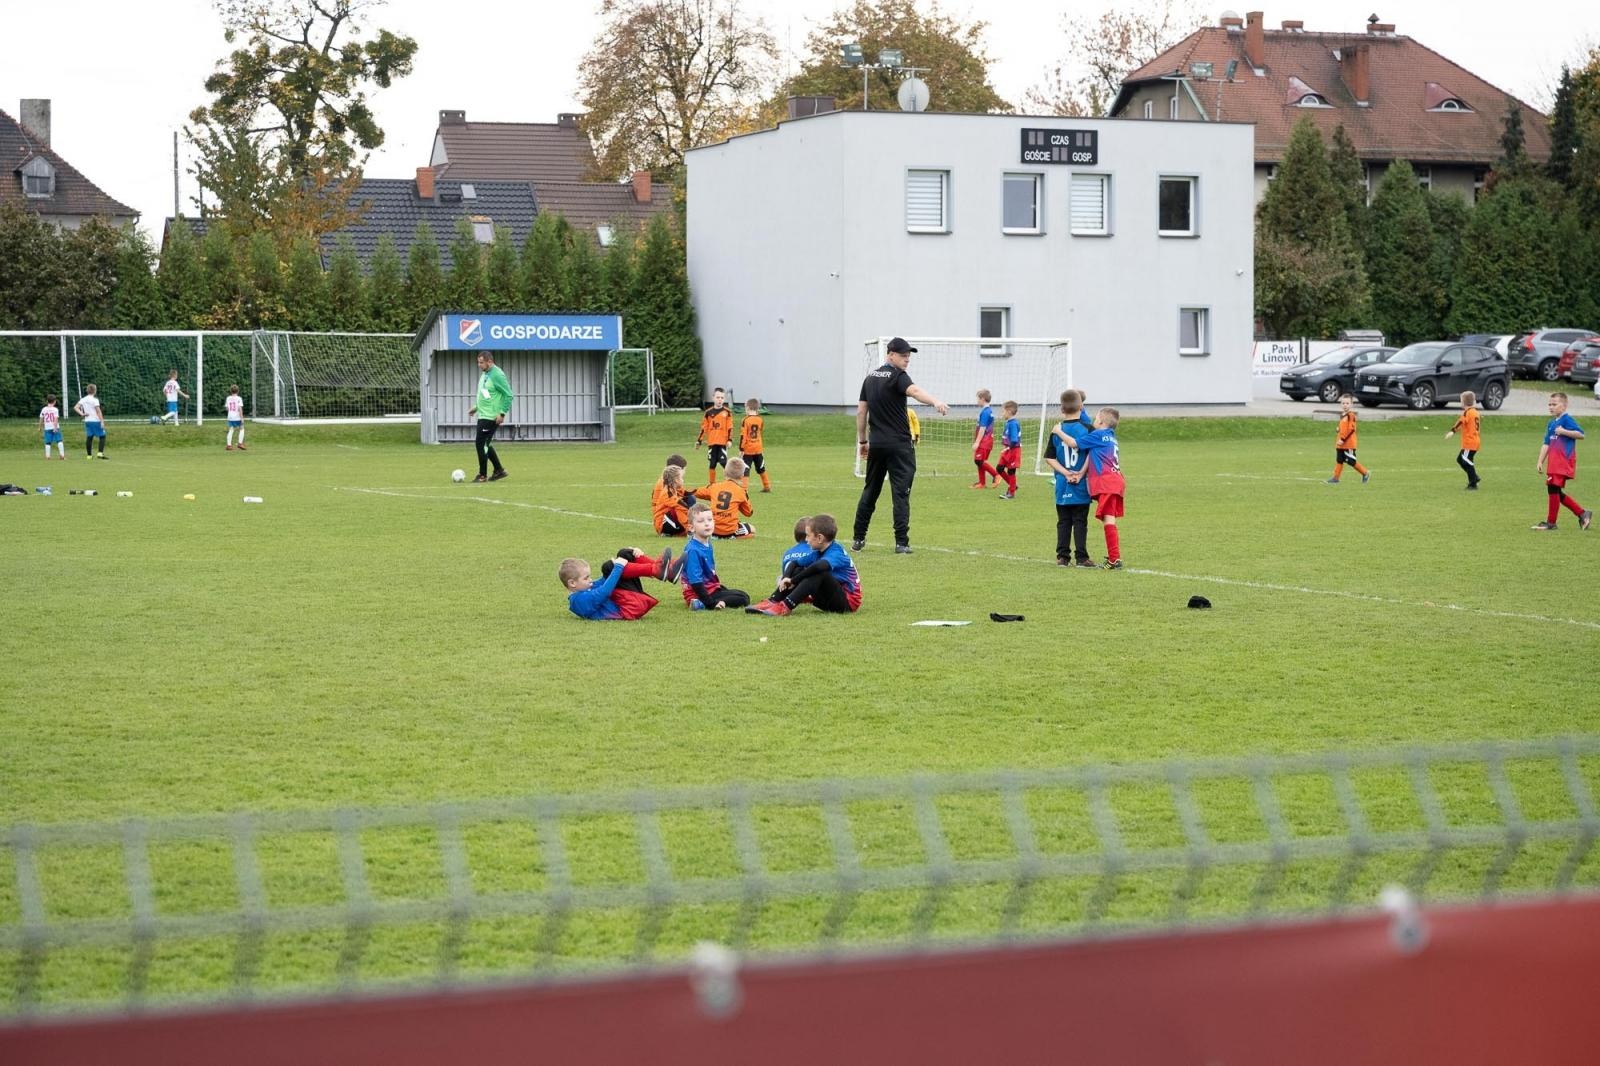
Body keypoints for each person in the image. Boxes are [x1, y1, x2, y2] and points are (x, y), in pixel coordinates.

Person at [852, 337, 950, 554]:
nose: (907, 360)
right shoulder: (898, 376)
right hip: (899, 445)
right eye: (903, 356)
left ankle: (858, 538)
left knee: (870, 490)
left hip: (877, 444)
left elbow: (861, 412)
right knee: (901, 494)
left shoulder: (869, 379)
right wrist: (935, 401)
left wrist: (863, 441)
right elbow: (915, 391)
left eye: (908, 356)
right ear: (891, 355)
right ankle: (901, 543)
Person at [748, 514, 862, 616]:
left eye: (808, 535)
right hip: (827, 599)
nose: (806, 540)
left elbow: (819, 567)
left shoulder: (836, 552)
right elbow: (794, 563)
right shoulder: (818, 551)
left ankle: (785, 606)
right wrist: (786, 577)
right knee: (799, 569)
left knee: (819, 572)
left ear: (820, 538)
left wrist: (793, 581)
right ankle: (773, 600)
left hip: (847, 603)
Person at [1067, 407, 1127, 569]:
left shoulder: (1098, 435)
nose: (1093, 420)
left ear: (1100, 422)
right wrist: (1081, 408)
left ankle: (1114, 559)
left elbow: (1073, 443)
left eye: (1096, 418)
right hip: (1116, 481)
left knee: (1109, 520)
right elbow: (1092, 454)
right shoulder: (1110, 437)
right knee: (1109, 519)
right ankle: (1114, 558)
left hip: (1107, 482)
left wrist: (1057, 431)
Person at [1045, 390, 1096, 568]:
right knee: (1080, 521)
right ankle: (1081, 558)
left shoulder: (1056, 430)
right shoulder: (1088, 429)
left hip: (1062, 483)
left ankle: (1062, 557)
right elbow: (1092, 455)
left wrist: (1065, 473)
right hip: (1081, 483)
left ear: (1061, 409)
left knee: (1063, 521)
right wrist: (1079, 473)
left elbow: (1049, 457)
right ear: (1081, 406)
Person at [562, 547, 682, 620]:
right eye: (586, 578)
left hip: (629, 603)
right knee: (608, 567)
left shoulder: (584, 590)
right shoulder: (578, 601)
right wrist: (618, 566)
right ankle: (659, 570)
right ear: (572, 583)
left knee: (624, 554)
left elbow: (604, 581)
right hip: (629, 608)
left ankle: (668, 571)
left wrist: (633, 554)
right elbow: (604, 591)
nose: (590, 580)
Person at [1533, 392, 1590, 531]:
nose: (1551, 407)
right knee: (1556, 491)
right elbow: (1546, 443)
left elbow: (1581, 434)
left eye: (1554, 404)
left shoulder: (1566, 420)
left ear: (1564, 406)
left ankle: (1551, 523)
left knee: (1553, 488)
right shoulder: (1551, 423)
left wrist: (1564, 431)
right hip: (1553, 462)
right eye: (1549, 404)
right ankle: (1582, 514)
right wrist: (1540, 461)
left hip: (1563, 461)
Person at [679, 504, 750, 610]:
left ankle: (710, 600)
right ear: (691, 528)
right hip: (698, 593)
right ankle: (700, 603)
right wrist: (711, 603)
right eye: (701, 521)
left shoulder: (707, 544)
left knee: (743, 595)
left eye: (710, 520)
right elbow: (695, 581)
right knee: (743, 599)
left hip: (710, 587)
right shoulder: (693, 550)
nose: (707, 524)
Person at [467, 352, 511, 483]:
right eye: (478, 362)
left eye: (481, 362)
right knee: (485, 443)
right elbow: (487, 394)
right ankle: (499, 470)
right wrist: (476, 407)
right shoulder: (486, 374)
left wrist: (502, 413)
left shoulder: (497, 375)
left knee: (480, 444)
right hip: (483, 414)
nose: (479, 365)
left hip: (491, 417)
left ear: (489, 362)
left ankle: (482, 475)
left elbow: (509, 395)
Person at [690, 457, 755, 537]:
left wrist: (683, 491)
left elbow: (696, 492)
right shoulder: (741, 491)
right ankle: (733, 537)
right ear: (742, 475)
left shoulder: (714, 487)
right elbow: (749, 513)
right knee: (752, 529)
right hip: (730, 530)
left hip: (712, 528)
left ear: (724, 472)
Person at [1326, 394, 1370, 484]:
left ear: (1351, 404)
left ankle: (1365, 473)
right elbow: (1343, 427)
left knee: (1351, 461)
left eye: (1347, 403)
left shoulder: (1351, 415)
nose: (1345, 405)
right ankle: (1335, 478)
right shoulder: (1342, 415)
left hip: (1348, 443)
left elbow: (1351, 429)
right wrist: (1338, 429)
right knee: (1339, 460)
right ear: (1341, 404)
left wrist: (1342, 439)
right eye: (1343, 403)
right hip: (1340, 444)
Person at [695, 387, 733, 485]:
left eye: (722, 398)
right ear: (713, 398)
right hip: (712, 442)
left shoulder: (727, 412)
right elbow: (704, 428)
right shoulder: (708, 412)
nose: (720, 400)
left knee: (724, 462)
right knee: (712, 464)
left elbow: (730, 427)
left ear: (724, 399)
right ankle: (712, 484)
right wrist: (699, 440)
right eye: (718, 397)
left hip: (722, 442)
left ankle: (730, 482)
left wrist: (729, 440)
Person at [1444, 391, 1480, 490]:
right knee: (1460, 459)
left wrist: (1452, 431)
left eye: (1461, 401)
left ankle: (1473, 483)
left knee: (1466, 461)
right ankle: (1474, 477)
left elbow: (1460, 422)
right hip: (1474, 441)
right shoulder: (1475, 412)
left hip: (1470, 442)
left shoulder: (1467, 412)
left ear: (1463, 402)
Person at [652, 458, 693, 536]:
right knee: (677, 509)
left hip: (667, 518)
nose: (683, 480)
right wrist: (694, 514)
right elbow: (679, 504)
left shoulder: (673, 488)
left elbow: (688, 492)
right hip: (661, 523)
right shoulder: (667, 492)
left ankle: (689, 529)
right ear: (676, 480)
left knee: (689, 498)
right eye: (681, 478)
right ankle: (690, 530)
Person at [739, 397, 772, 493]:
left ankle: (744, 489)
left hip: (748, 449)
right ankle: (767, 486)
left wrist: (741, 449)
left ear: (748, 408)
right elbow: (759, 432)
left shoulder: (745, 420)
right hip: (758, 448)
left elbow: (743, 435)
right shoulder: (760, 420)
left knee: (745, 468)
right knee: (761, 468)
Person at [971, 389, 999, 488]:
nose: (977, 401)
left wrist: (977, 442)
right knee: (980, 461)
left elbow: (982, 428)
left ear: (982, 399)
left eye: (978, 399)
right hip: (986, 441)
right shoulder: (988, 411)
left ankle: (996, 475)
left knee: (978, 461)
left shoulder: (985, 412)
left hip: (984, 441)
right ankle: (982, 483)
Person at [995, 400, 1023, 499]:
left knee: (1011, 471)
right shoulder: (1009, 423)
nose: (1002, 413)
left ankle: (1011, 493)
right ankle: (1013, 485)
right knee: (999, 468)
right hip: (1008, 449)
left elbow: (1014, 440)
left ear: (1009, 411)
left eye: (1003, 411)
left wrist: (1007, 448)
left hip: (1013, 450)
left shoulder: (1013, 424)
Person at [74, 384, 107, 459]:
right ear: (95, 391)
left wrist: (82, 414)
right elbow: (98, 411)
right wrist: (102, 421)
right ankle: (100, 453)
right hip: (95, 420)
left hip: (88, 421)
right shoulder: (95, 400)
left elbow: (76, 407)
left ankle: (89, 456)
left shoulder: (83, 399)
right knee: (102, 436)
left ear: (87, 391)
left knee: (89, 437)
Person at [39, 394, 64, 460]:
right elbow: (55, 419)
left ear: (47, 401)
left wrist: (39, 427)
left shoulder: (44, 409)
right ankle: (62, 455)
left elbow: (41, 418)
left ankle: (48, 456)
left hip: (47, 428)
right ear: (55, 401)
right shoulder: (55, 409)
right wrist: (55, 427)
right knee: (59, 440)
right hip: (55, 427)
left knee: (48, 442)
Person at [224, 385, 248, 451]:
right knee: (242, 428)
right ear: (238, 391)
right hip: (237, 416)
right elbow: (240, 408)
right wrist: (242, 418)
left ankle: (229, 445)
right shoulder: (239, 398)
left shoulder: (228, 398)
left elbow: (227, 408)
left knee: (231, 430)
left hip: (230, 416)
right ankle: (240, 443)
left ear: (230, 391)